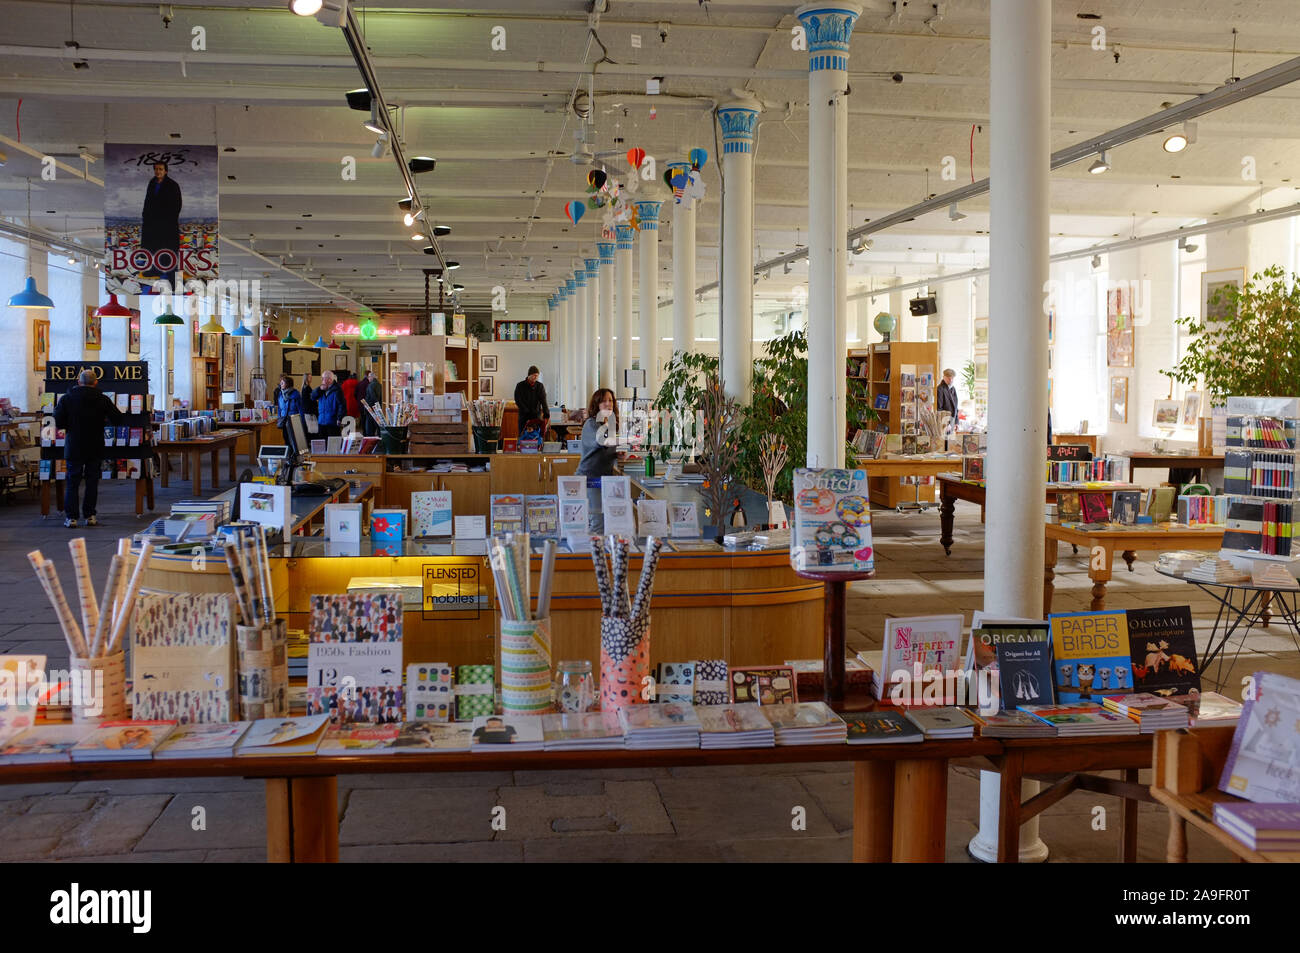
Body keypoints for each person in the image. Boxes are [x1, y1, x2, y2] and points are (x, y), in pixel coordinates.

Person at [53, 369, 124, 528]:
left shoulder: (67, 399)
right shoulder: (102, 399)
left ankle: (71, 517)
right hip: (95, 444)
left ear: (79, 382)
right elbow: (118, 419)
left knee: (72, 481)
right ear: (96, 382)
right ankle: (90, 515)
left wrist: (70, 425)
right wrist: (103, 420)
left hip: (74, 445)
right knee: (92, 481)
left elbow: (58, 421)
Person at [140, 160, 182, 290]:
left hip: (167, 225)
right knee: (154, 249)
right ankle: (154, 271)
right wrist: (145, 216)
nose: (158, 171)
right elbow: (148, 201)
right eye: (156, 169)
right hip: (152, 225)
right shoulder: (152, 183)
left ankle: (172, 279)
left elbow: (177, 205)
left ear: (166, 171)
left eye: (160, 169)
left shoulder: (172, 185)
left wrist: (167, 219)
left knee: (169, 251)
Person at [575, 388, 620, 478]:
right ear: (597, 404)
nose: (608, 404)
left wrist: (616, 455)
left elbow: (602, 452)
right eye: (603, 401)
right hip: (589, 479)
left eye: (610, 400)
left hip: (603, 478)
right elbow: (602, 442)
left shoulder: (608, 424)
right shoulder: (591, 423)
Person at [513, 365, 550, 435]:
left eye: (537, 376)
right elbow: (518, 400)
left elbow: (543, 401)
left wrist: (546, 414)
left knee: (536, 436)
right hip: (524, 416)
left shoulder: (540, 386)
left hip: (536, 416)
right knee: (523, 436)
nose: (536, 377)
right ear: (529, 375)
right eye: (534, 375)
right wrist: (526, 411)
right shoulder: (520, 385)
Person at [309, 370, 345, 439]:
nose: (322, 380)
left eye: (323, 378)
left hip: (332, 421)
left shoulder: (337, 390)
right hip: (321, 421)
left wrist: (340, 418)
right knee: (322, 444)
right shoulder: (321, 389)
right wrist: (319, 389)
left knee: (333, 444)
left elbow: (342, 405)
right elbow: (312, 397)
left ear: (329, 380)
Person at [363, 370, 383, 436]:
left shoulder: (370, 386)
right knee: (378, 426)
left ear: (372, 377)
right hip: (378, 408)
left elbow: (372, 397)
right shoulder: (380, 385)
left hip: (371, 408)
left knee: (369, 428)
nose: (368, 378)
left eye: (369, 377)